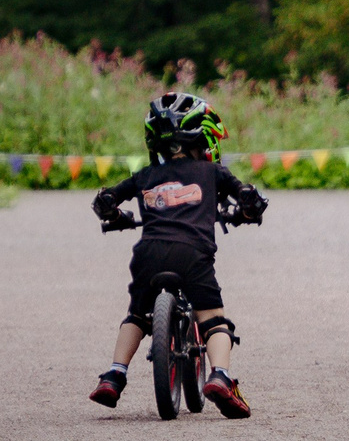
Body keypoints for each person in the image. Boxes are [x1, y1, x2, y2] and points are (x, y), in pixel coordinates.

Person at [89, 92, 268, 417]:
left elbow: (106, 201)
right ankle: (220, 377)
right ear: (204, 139)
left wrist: (117, 218)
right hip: (193, 256)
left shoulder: (144, 176)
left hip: (148, 255)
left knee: (137, 315)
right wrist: (248, 211)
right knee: (214, 321)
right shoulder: (213, 173)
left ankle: (114, 374)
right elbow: (247, 198)